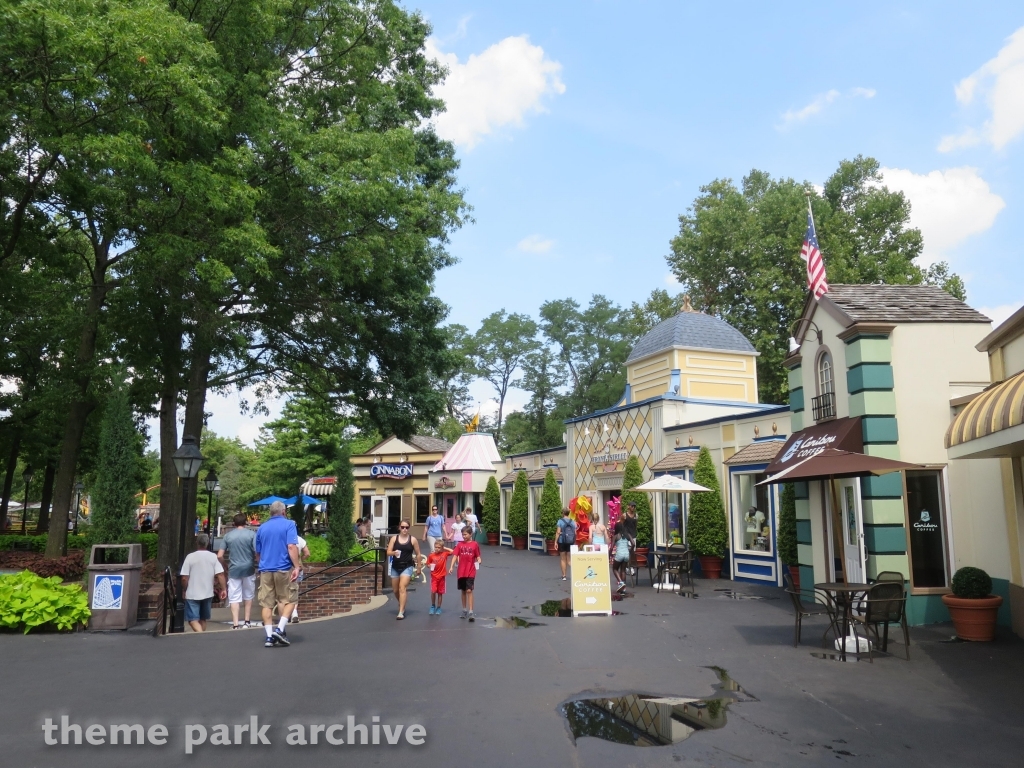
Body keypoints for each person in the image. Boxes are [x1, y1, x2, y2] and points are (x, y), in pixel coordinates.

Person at [254, 500, 301, 648]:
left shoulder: (262, 528)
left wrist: (263, 565)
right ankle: (280, 629)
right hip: (283, 568)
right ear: (283, 511)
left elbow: (258, 553)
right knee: (290, 600)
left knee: (266, 604)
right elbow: (291, 546)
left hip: (266, 569)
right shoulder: (289, 524)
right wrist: (297, 566)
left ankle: (269, 637)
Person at [217, 513, 258, 629]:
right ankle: (247, 621)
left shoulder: (228, 536)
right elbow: (257, 552)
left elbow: (219, 555)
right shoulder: (251, 535)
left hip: (234, 569)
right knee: (248, 595)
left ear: (234, 523)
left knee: (234, 597)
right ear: (246, 522)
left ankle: (235, 624)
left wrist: (225, 565)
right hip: (249, 568)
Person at [180, 533, 227, 633]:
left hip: (192, 593)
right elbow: (221, 574)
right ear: (208, 543)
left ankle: (201, 636)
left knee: (192, 620)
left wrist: (185, 589)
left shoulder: (190, 557)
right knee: (202, 619)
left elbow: (184, 578)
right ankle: (202, 638)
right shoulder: (213, 557)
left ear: (197, 543)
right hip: (207, 593)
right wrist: (223, 589)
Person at [386, 518, 421, 619]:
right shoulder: (394, 538)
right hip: (395, 566)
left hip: (407, 566)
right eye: (402, 527)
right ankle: (402, 602)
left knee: (402, 587)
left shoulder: (412, 539)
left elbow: (418, 554)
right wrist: (394, 553)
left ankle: (401, 611)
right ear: (399, 528)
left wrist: (418, 567)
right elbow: (388, 552)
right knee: (396, 590)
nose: (405, 529)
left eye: (407, 527)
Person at [449, 525, 482, 621]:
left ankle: (471, 611)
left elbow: (478, 556)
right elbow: (455, 556)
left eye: (466, 534)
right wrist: (451, 567)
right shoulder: (459, 545)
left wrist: (479, 561)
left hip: (470, 570)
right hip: (461, 571)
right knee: (463, 590)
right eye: (463, 534)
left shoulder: (475, 544)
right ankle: (464, 610)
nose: (464, 536)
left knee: (469, 590)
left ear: (471, 534)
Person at [425, 539, 454, 615]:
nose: (437, 549)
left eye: (439, 547)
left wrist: (444, 548)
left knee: (440, 593)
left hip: (442, 576)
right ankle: (432, 605)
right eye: (436, 547)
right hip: (434, 576)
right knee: (433, 591)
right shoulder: (431, 555)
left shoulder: (444, 554)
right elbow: (427, 564)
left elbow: (453, 551)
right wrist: (429, 565)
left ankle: (439, 607)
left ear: (442, 548)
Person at [290, 534, 311, 623]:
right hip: (298, 567)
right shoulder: (299, 539)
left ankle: (284, 615)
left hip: (285, 567)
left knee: (283, 591)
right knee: (295, 590)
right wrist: (300, 559)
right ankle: (294, 612)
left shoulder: (283, 537)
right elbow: (307, 553)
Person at [556, 508, 577, 580]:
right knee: (569, 560)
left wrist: (555, 542)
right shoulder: (573, 522)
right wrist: (574, 542)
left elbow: (558, 532)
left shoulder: (560, 521)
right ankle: (576, 572)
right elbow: (575, 533)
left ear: (563, 513)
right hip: (570, 542)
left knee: (562, 559)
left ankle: (564, 576)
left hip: (562, 541)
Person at [612, 522, 631, 593]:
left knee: (614, 569)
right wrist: (630, 550)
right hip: (626, 554)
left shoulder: (616, 536)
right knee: (623, 570)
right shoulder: (627, 535)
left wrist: (610, 554)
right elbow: (633, 544)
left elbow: (611, 547)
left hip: (619, 554)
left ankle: (621, 583)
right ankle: (623, 589)